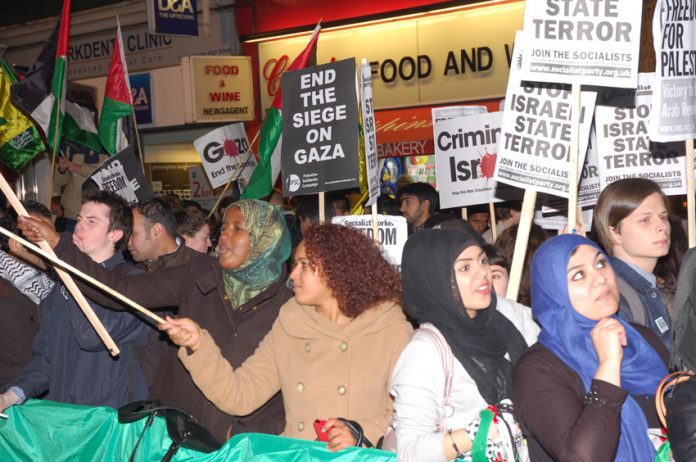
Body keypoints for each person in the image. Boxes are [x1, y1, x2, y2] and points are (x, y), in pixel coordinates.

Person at [18, 199, 293, 443]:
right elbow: (120, 291)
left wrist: (245, 434)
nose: (224, 237)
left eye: (237, 229)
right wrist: (59, 246)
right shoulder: (200, 272)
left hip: (233, 447)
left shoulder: (288, 305)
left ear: (265, 238)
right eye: (224, 228)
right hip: (172, 435)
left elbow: (293, 386)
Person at [159, 224, 413, 450]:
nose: (292, 275)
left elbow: (407, 413)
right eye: (294, 265)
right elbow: (241, 394)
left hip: (360, 457)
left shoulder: (389, 328)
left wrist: (359, 432)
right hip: (298, 455)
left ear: (339, 270)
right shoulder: (291, 322)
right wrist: (198, 344)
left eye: (305, 265)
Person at [513, 234, 669, 462]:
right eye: (578, 275)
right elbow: (583, 457)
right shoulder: (537, 369)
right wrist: (608, 366)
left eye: (600, 263)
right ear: (553, 291)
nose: (600, 278)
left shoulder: (641, 339)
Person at [390, 229, 538, 462]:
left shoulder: (505, 316)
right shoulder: (425, 351)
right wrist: (477, 433)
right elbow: (410, 452)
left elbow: (556, 333)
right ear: (435, 279)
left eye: (482, 260)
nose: (484, 273)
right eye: (465, 268)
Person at [1, 191, 152, 411]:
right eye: (79, 219)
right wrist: (11, 395)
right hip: (63, 419)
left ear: (115, 234)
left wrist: (71, 261)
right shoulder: (60, 286)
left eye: (92, 221)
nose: (79, 226)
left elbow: (92, 336)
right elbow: (45, 359)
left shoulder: (133, 283)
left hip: (106, 422)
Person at [593, 178, 673, 349]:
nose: (662, 226)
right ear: (615, 232)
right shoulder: (612, 297)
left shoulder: (656, 288)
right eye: (645, 220)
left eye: (663, 217)